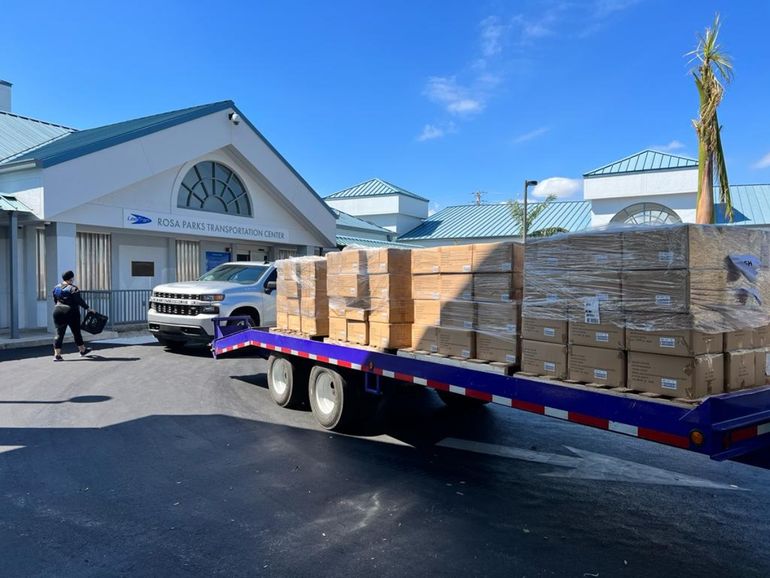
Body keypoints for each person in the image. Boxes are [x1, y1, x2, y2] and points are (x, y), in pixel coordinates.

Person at [52, 270, 93, 361]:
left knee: (59, 333)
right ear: (71, 278)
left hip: (58, 311)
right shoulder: (73, 288)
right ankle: (82, 350)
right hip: (71, 311)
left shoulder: (56, 287)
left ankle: (57, 355)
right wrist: (88, 308)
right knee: (76, 332)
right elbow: (78, 300)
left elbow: (55, 300)